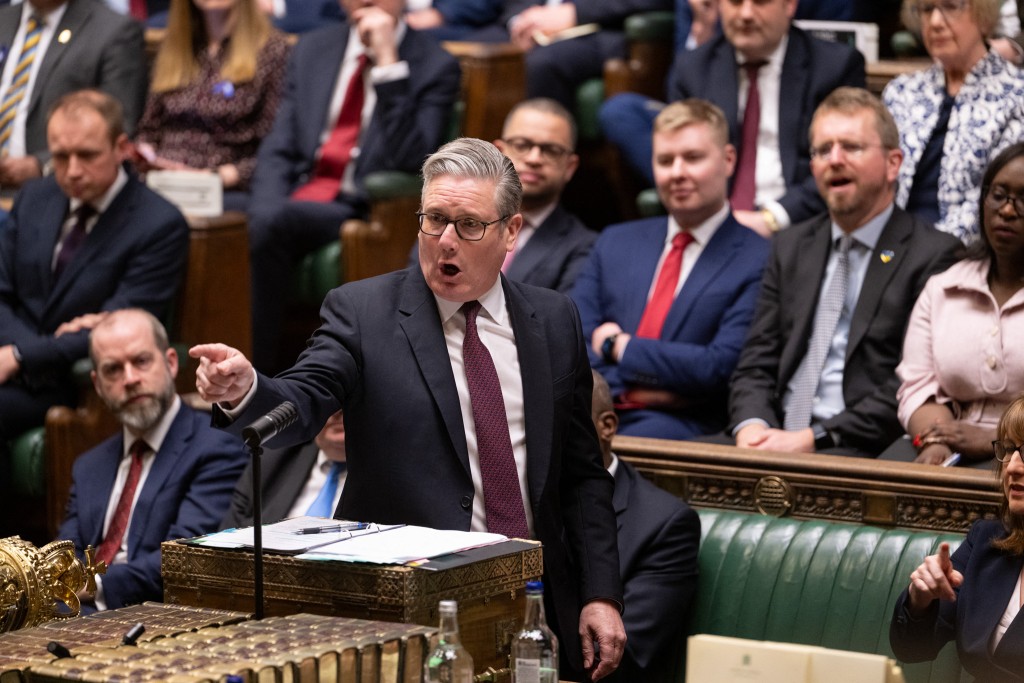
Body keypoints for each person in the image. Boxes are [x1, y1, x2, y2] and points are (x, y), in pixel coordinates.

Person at [192, 137, 626, 681]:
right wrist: (247, 387)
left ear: (510, 232)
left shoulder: (554, 319)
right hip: (410, 606)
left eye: (469, 225)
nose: (446, 241)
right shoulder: (363, 313)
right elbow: (303, 399)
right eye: (434, 219)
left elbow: (583, 476)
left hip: (535, 598)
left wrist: (601, 594)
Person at [727, 87, 961, 457]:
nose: (833, 160)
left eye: (851, 147)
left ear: (893, 163)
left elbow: (910, 384)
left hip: (859, 447)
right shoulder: (791, 246)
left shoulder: (934, 255)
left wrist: (814, 437)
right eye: (822, 150)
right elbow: (756, 361)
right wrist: (752, 425)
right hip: (772, 436)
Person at [246, 0, 461, 371]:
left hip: (358, 202)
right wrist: (262, 207)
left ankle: (253, 379)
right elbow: (278, 146)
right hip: (296, 197)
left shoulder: (435, 64)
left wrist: (388, 62)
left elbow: (413, 161)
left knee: (267, 222)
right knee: (218, 221)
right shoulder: (312, 49)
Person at [0, 90, 188, 485]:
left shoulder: (158, 224)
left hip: (74, 380)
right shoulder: (36, 196)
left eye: (87, 155)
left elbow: (122, 330)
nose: (71, 171)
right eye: (60, 156)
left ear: (121, 147)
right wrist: (13, 353)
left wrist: (21, 354)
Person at [573, 99, 769, 440]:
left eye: (693, 158)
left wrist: (618, 347)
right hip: (593, 414)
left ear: (728, 160)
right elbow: (572, 342)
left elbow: (721, 366)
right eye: (665, 160)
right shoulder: (615, 241)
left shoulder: (759, 256)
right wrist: (626, 392)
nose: (677, 172)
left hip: (682, 430)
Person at [599, 0, 866, 237]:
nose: (746, 14)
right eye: (735, 2)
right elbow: (685, 157)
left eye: (760, 2)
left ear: (789, 5)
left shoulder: (835, 67)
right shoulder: (693, 68)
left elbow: (844, 165)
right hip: (714, 227)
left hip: (800, 227)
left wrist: (773, 218)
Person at [56, 309, 248, 612]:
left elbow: (183, 559)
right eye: (113, 370)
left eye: (142, 361)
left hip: (155, 615)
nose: (130, 379)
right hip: (73, 611)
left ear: (171, 363)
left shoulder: (216, 450)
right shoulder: (88, 466)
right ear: (98, 384)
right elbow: (66, 554)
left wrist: (91, 585)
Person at [889, 143, 1024, 466]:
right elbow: (919, 384)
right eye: (999, 195)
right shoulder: (944, 287)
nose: (1007, 211)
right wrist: (934, 441)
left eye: (1023, 200)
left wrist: (1000, 440)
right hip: (948, 439)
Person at [889, 395, 1024, 680]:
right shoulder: (988, 541)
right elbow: (912, 649)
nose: (1012, 466)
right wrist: (920, 598)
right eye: (1009, 450)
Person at [410, 98, 596, 294]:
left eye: (551, 150)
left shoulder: (583, 246)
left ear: (570, 166)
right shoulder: (442, 217)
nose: (534, 159)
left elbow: (559, 321)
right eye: (522, 145)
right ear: (499, 151)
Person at [883, 0, 1024, 243]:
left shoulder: (1016, 96)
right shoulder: (901, 91)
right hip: (889, 249)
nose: (936, 22)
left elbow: (995, 201)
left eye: (950, 6)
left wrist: (922, 252)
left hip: (963, 256)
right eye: (927, 9)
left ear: (983, 16)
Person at [590, 370, 700, 682]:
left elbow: (620, 656)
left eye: (561, 421)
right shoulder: (517, 502)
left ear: (606, 426)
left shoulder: (664, 524)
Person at [132, 0, 291, 212]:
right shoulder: (173, 47)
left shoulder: (274, 51)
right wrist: (147, 156)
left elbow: (278, 148)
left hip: (224, 187)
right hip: (162, 182)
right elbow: (148, 130)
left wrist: (219, 176)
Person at [0, 0, 147, 193]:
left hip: (52, 190)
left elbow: (119, 124)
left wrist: (43, 165)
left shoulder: (114, 31)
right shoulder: (4, 19)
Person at [469, 0, 672, 110]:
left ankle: (539, 167)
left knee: (544, 62)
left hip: (602, 28)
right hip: (532, 23)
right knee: (464, 52)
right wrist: (522, 19)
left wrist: (576, 12)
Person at [221, 409, 347, 527]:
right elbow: (224, 541)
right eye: (333, 397)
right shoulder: (272, 459)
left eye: (352, 397)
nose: (339, 411)